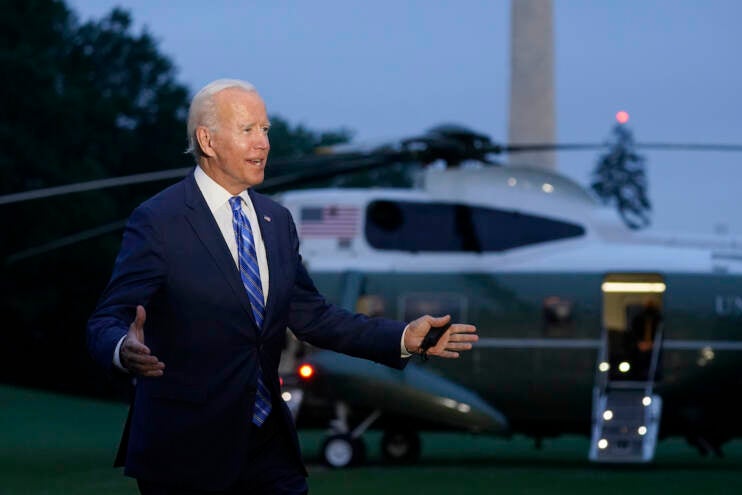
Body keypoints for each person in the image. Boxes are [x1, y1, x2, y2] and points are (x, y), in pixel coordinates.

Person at [86, 78, 478, 495]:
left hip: (269, 449)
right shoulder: (160, 220)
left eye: (266, 130)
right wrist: (121, 349)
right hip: (186, 451)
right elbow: (108, 317)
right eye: (248, 130)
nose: (264, 143)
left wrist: (402, 337)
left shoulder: (277, 221)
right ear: (208, 140)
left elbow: (314, 316)